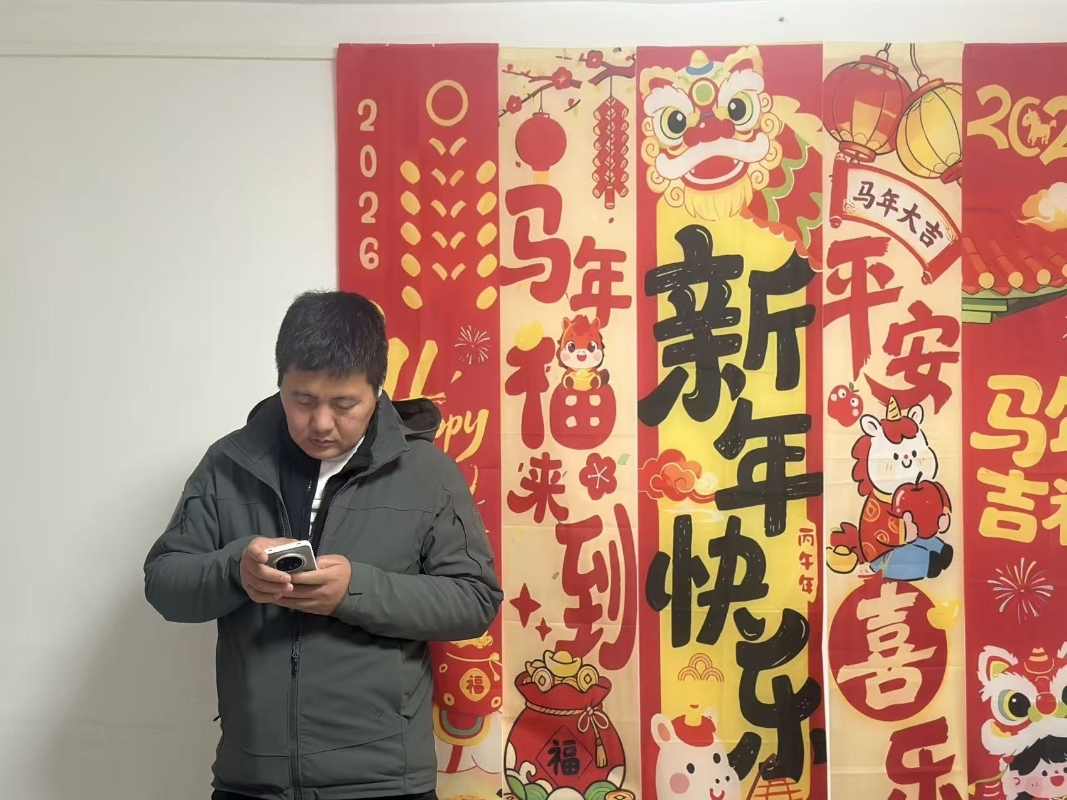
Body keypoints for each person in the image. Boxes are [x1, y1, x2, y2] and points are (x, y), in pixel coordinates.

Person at [144, 290, 503, 800]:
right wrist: (235, 570)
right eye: (303, 400)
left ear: (376, 390)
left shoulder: (429, 474)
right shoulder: (229, 463)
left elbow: (475, 601)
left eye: (344, 404)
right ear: (281, 384)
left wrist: (355, 591)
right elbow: (164, 583)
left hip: (384, 782)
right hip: (251, 781)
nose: (321, 423)